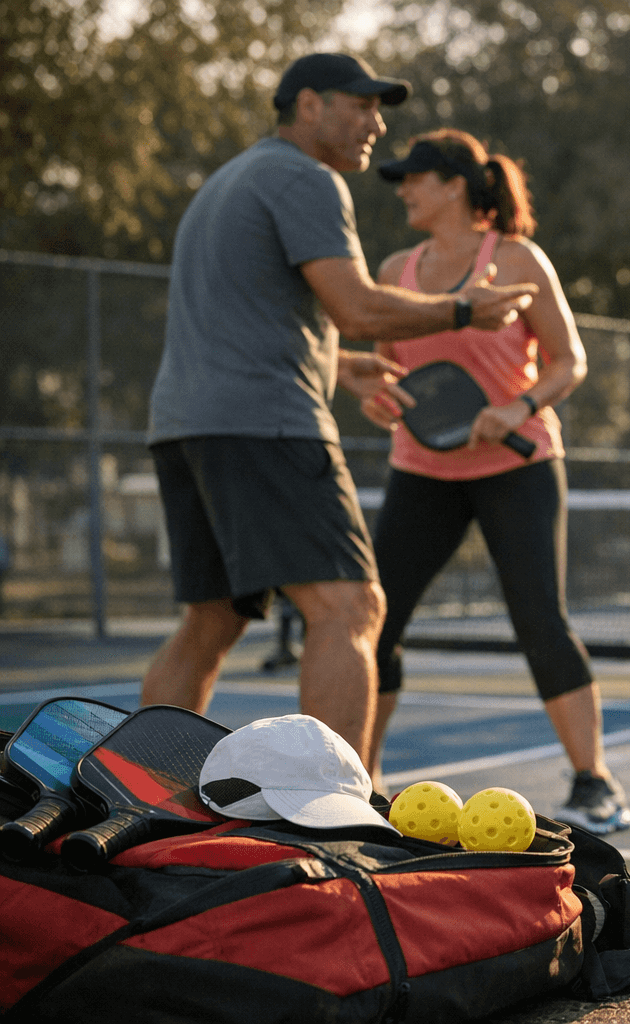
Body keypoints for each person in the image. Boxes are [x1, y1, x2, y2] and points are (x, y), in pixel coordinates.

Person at [143, 54, 535, 769]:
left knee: (211, 621)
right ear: (310, 106)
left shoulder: (227, 182)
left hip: (185, 426)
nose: (376, 125)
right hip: (266, 424)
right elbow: (354, 305)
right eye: (361, 105)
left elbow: (249, 313)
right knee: (351, 609)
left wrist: (338, 366)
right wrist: (461, 310)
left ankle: (133, 787)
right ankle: (331, 817)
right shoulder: (305, 177)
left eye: (379, 109)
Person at [359, 129, 630, 833]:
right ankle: (363, 778)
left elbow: (569, 361)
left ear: (453, 184)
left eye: (414, 178)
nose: (404, 191)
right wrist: (377, 397)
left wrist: (519, 405)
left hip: (519, 465)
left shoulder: (514, 258)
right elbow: (386, 371)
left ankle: (594, 780)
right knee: (374, 621)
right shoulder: (393, 266)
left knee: (540, 619)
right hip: (421, 470)